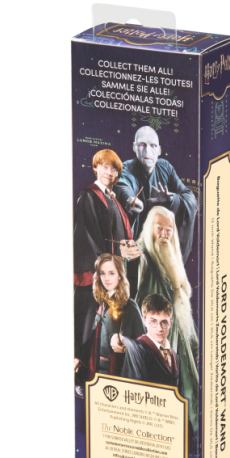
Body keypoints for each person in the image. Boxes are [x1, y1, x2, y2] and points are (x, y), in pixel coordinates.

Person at [120, 207, 199, 431]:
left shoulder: (171, 258)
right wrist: (128, 257)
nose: (164, 234)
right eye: (159, 228)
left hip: (178, 344)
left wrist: (193, 343)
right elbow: (131, 272)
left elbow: (182, 307)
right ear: (149, 229)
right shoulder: (143, 255)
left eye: (169, 230)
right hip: (153, 344)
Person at [73, 149, 143, 352]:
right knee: (88, 331)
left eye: (114, 169)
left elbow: (117, 235)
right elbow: (87, 237)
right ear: (95, 168)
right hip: (95, 277)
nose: (109, 173)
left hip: (112, 277)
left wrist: (129, 249)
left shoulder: (113, 200)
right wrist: (111, 263)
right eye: (105, 167)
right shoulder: (89, 196)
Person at [114, 126, 198, 263]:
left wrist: (172, 200)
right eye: (142, 145)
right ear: (134, 147)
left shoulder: (165, 167)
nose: (147, 151)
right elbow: (123, 186)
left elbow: (190, 198)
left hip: (160, 243)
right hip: (137, 248)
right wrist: (131, 200)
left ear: (159, 150)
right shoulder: (126, 168)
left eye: (153, 145)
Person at [74, 254, 145, 398]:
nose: (106, 278)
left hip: (119, 375)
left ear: (120, 275)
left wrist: (125, 343)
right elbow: (94, 337)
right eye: (102, 273)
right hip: (96, 372)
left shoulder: (130, 306)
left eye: (111, 273)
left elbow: (142, 346)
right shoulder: (101, 303)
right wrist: (79, 358)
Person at [121, 294, 183, 392]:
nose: (159, 329)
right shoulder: (138, 349)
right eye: (153, 321)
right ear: (144, 321)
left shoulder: (175, 357)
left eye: (164, 322)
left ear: (170, 323)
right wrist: (117, 338)